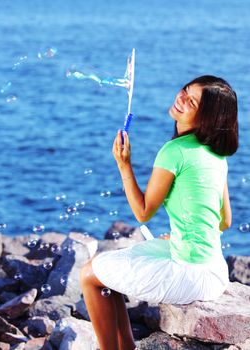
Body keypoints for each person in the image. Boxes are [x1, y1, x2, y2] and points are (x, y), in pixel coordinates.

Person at [80, 75, 238, 350]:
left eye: (192, 101)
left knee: (89, 275)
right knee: (110, 267)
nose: (181, 98)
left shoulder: (174, 152)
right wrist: (184, 235)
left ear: (207, 118)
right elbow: (225, 220)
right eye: (185, 91)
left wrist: (124, 164)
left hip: (190, 274)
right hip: (214, 269)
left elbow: (142, 213)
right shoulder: (216, 154)